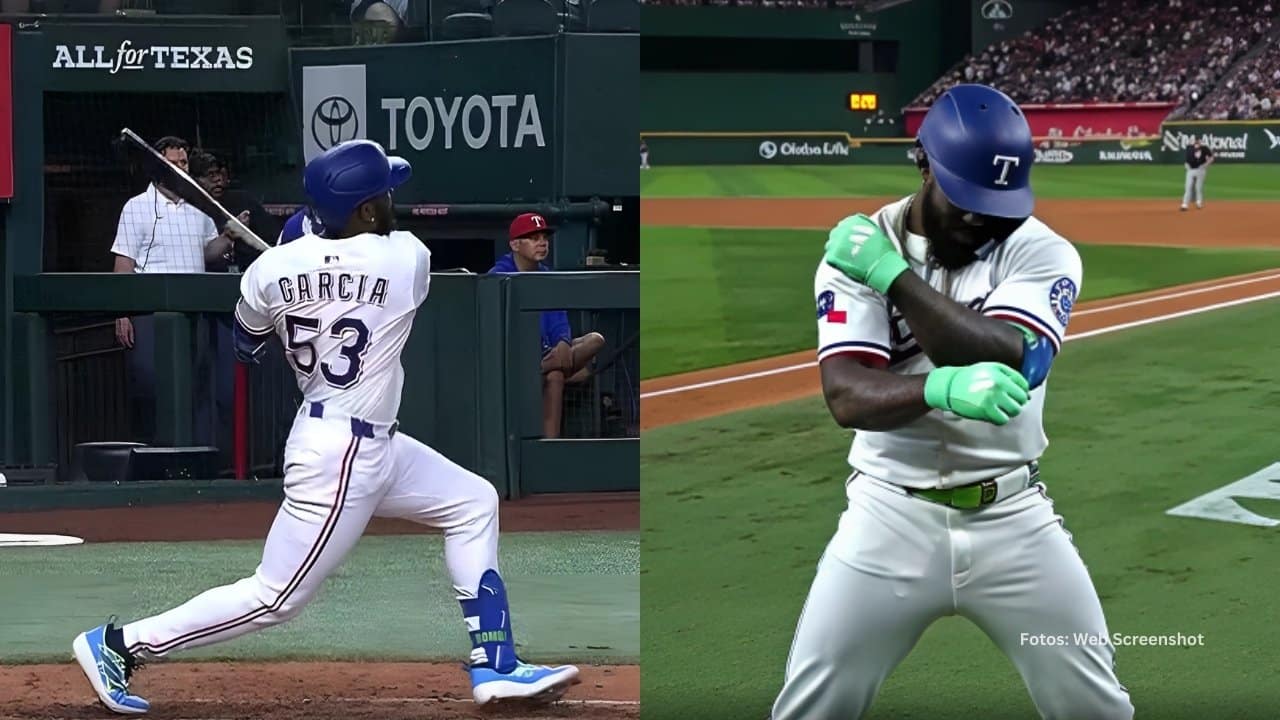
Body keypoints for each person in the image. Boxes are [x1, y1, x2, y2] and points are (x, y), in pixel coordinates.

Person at [73, 140, 580, 715]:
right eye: (382, 194)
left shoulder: (270, 269)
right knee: (275, 598)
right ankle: (119, 644)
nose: (392, 201)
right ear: (363, 211)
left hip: (366, 438)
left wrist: (295, 257)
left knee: (472, 502)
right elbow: (355, 258)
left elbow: (246, 342)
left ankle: (496, 664)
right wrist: (310, 255)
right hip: (341, 454)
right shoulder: (406, 257)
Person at [770, 84, 1132, 719]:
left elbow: (1012, 357)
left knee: (1095, 709)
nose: (981, 217)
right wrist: (936, 387)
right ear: (923, 162)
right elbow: (849, 397)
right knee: (811, 709)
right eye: (967, 200)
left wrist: (895, 278)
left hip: (1013, 519)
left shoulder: (1040, 249)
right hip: (887, 517)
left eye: (997, 203)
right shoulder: (858, 247)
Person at [110, 135, 240, 447]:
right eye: (174, 163)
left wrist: (229, 236)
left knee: (197, 387)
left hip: (194, 315)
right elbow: (124, 262)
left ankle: (194, 459)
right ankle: (152, 458)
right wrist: (121, 313)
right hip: (150, 315)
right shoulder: (136, 208)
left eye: (184, 163)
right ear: (158, 167)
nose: (182, 168)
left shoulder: (199, 208)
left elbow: (208, 251)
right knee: (152, 389)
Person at [489, 212, 605, 439]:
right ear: (515, 244)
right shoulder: (498, 276)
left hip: (546, 354)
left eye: (544, 237)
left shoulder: (547, 275)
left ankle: (548, 366)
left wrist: (562, 342)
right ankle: (550, 443)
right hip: (513, 361)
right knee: (558, 375)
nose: (542, 243)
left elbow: (558, 321)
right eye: (533, 238)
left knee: (595, 340)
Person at [1181, 136, 1214, 211]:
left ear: (1200, 141)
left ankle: (1199, 202)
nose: (1197, 142)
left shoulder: (1204, 148)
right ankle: (1184, 204)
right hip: (1190, 170)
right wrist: (1186, 164)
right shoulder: (1189, 148)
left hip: (1200, 170)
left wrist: (1206, 165)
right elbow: (1187, 159)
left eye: (1198, 141)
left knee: (1198, 187)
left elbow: (1211, 158)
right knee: (1188, 187)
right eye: (1195, 141)